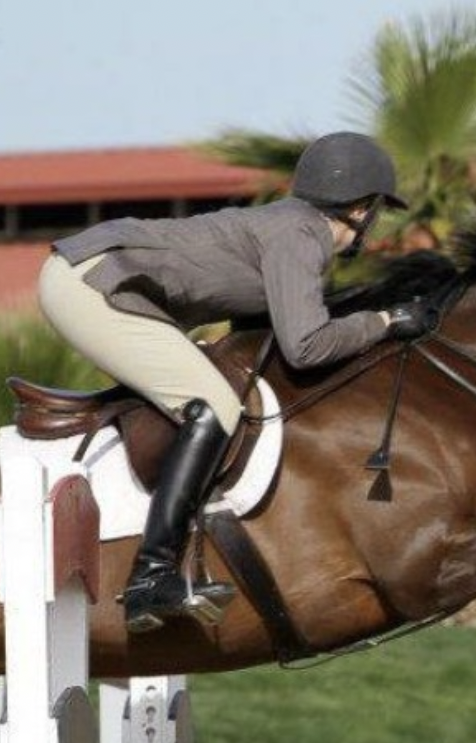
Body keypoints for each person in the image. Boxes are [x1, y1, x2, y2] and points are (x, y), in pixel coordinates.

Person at [38, 131, 426, 634]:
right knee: (213, 403)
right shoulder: (302, 235)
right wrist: (387, 322)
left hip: (90, 274)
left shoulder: (290, 226)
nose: (373, 224)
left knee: (207, 392)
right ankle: (149, 576)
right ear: (360, 206)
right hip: (92, 283)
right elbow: (306, 347)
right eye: (376, 210)